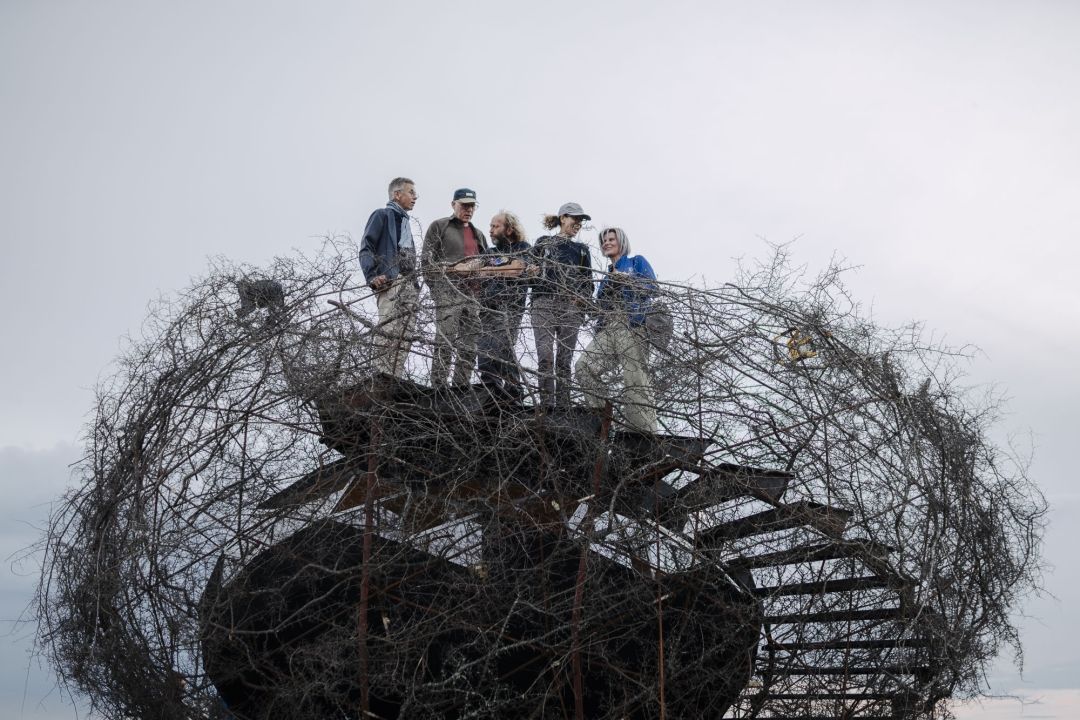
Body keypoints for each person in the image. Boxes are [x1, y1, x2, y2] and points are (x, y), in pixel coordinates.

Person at [575, 227, 658, 433]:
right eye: (604, 240)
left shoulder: (635, 262)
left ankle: (642, 433)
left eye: (611, 239)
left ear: (621, 241)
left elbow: (653, 288)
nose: (607, 242)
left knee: (634, 379)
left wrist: (628, 280)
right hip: (608, 328)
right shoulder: (605, 277)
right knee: (584, 365)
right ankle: (601, 422)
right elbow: (599, 309)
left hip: (631, 324)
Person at [422, 188, 490, 388]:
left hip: (473, 297)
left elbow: (486, 267)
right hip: (448, 294)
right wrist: (437, 292)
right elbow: (426, 262)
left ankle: (461, 389)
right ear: (453, 204)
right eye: (464, 205)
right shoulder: (440, 226)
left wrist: (481, 296)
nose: (468, 209)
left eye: (472, 206)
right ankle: (439, 388)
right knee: (445, 342)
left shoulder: (479, 235)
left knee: (469, 347)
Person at [527, 202, 593, 408]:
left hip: (570, 307)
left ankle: (563, 408)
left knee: (564, 361)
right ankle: (547, 407)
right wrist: (531, 272)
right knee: (545, 356)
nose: (579, 223)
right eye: (576, 219)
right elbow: (530, 276)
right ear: (563, 218)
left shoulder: (582, 250)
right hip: (544, 303)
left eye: (581, 221)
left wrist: (581, 303)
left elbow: (587, 283)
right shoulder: (543, 242)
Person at [359, 177, 420, 378]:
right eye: (411, 192)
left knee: (405, 336)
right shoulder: (382, 216)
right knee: (388, 332)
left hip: (409, 284)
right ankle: (381, 379)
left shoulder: (405, 223)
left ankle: (395, 379)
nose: (415, 197)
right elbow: (366, 248)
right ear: (397, 194)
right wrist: (372, 276)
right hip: (390, 282)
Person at [476, 211, 531, 402]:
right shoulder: (490, 253)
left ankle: (513, 393)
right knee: (484, 354)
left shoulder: (522, 247)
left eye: (495, 226)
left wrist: (490, 270)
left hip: (510, 308)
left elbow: (515, 269)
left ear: (509, 229)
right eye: (490, 226)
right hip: (486, 308)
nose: (490, 230)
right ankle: (490, 396)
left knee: (500, 349)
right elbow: (473, 269)